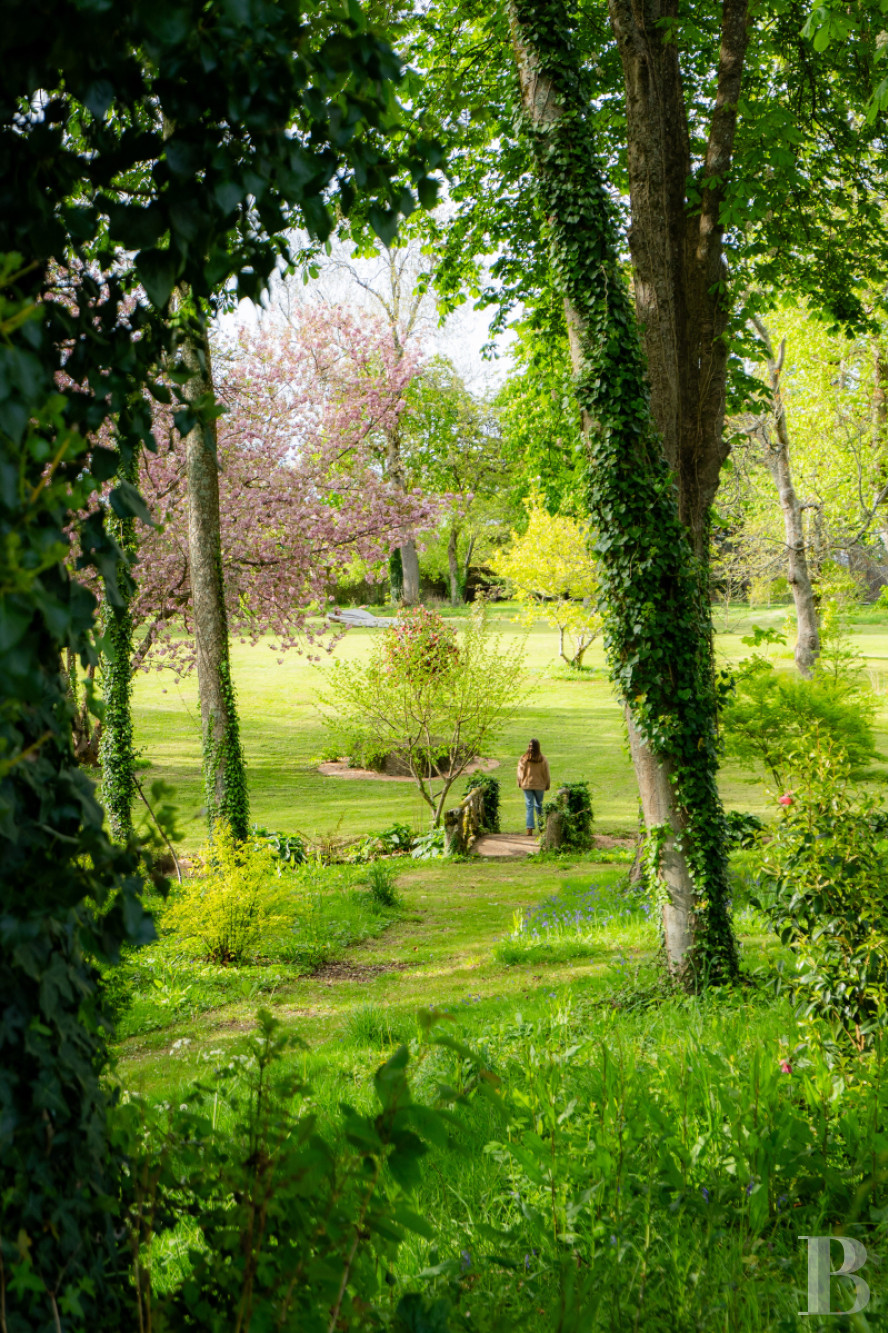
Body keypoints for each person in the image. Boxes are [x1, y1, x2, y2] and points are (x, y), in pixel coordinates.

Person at [517, 738, 550, 836]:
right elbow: (546, 773)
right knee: (539, 805)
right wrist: (547, 783)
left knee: (529, 806)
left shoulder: (524, 758)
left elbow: (520, 772)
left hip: (527, 784)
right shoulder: (543, 759)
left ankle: (529, 828)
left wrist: (520, 781)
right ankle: (541, 827)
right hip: (539, 785)